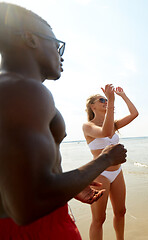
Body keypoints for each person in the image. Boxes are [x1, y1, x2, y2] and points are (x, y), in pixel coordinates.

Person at [0, 2, 127, 239]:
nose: (61, 56)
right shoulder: (24, 90)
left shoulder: (14, 90)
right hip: (35, 228)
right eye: (56, 45)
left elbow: (23, 177)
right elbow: (28, 204)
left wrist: (70, 186)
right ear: (30, 39)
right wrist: (106, 159)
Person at [83, 84, 138, 240]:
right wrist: (112, 101)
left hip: (117, 172)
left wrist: (123, 95)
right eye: (102, 100)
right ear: (92, 106)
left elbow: (134, 113)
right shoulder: (88, 126)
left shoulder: (113, 124)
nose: (106, 102)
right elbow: (105, 132)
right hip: (99, 173)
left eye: (106, 100)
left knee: (121, 212)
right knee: (99, 219)